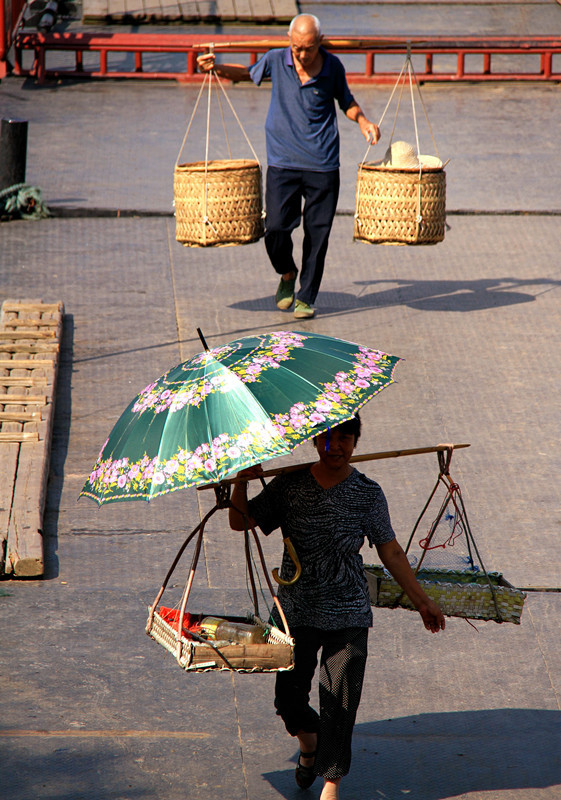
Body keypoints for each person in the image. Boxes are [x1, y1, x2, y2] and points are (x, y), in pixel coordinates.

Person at [229, 415, 445, 800]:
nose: (335, 447)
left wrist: (423, 600)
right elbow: (239, 521)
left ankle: (332, 782)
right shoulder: (290, 484)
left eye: (344, 438)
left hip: (348, 609)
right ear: (314, 441)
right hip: (296, 610)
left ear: (356, 442)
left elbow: (391, 550)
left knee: (340, 700)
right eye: (327, 438)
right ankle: (309, 744)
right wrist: (241, 481)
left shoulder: (367, 493)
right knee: (289, 699)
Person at [197, 14, 380, 320]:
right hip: (282, 162)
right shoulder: (275, 59)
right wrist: (215, 67)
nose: (302, 55)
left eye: (308, 48)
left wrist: (363, 122)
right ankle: (286, 272)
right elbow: (245, 74)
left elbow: (346, 101)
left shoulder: (332, 66)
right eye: (296, 48)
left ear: (319, 43)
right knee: (276, 228)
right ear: (289, 41)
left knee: (317, 235)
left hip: (322, 164)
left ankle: (306, 296)